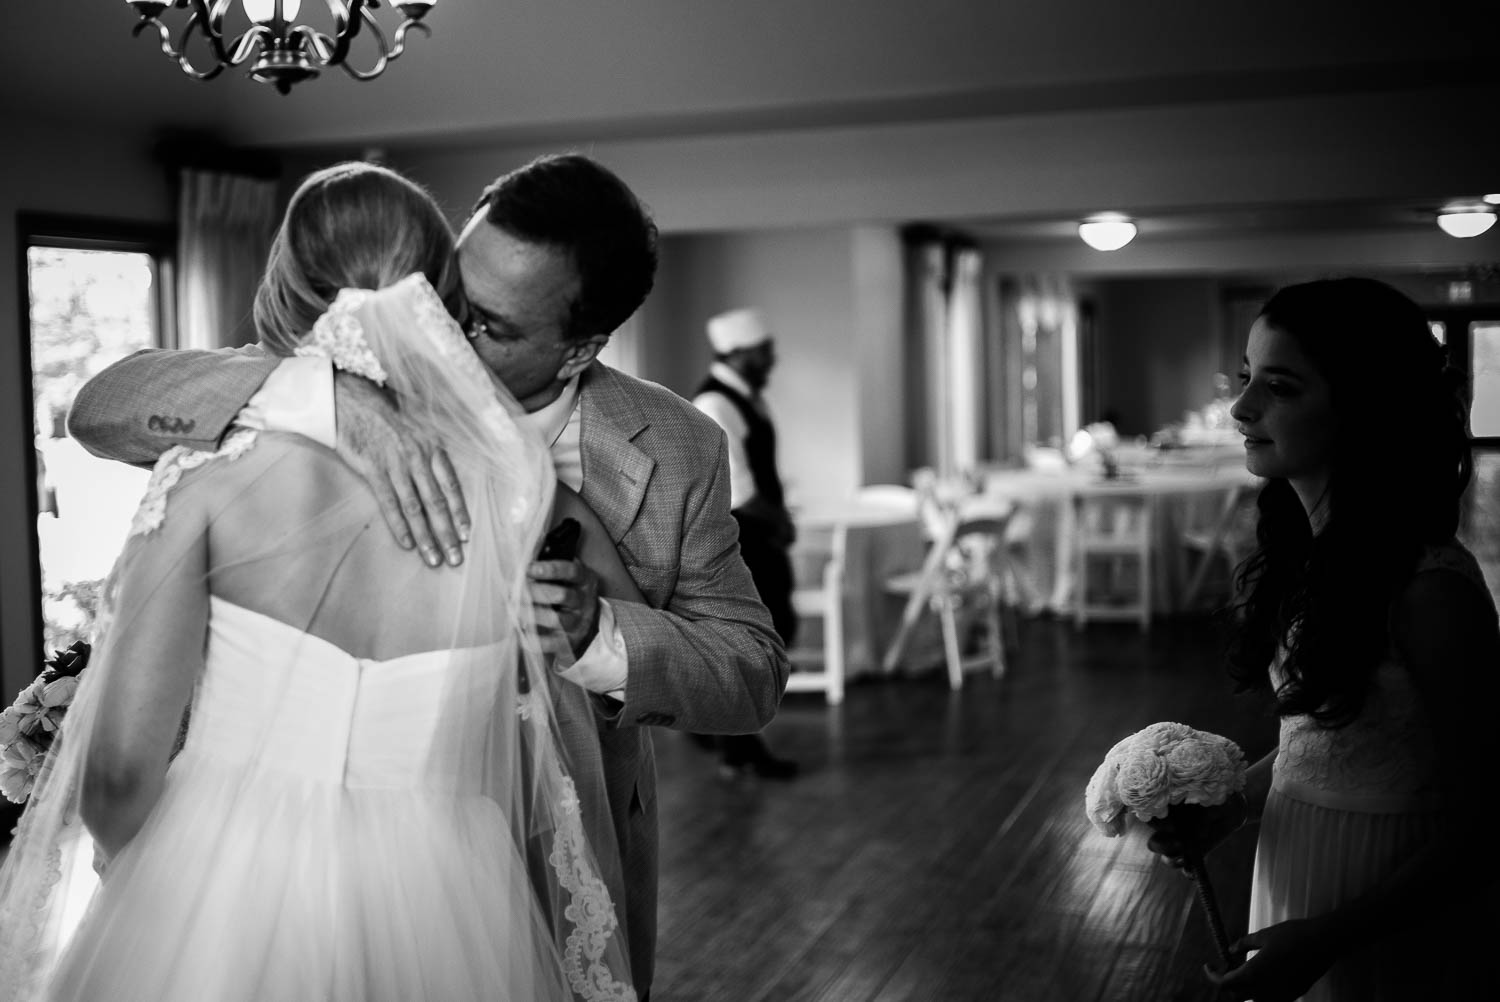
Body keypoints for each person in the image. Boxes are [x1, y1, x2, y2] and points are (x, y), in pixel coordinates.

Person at [61, 153, 789, 998]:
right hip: (274, 879)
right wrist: (325, 400)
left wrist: (603, 639)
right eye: (443, 293)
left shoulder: (676, 447)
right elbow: (106, 403)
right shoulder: (329, 381)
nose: (441, 332)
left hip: (546, 874)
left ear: (580, 347)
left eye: (489, 327)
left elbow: (751, 667)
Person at [1146, 277, 1499, 1001]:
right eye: (1249, 378)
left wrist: (1332, 935)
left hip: (1384, 914)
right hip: (1299, 874)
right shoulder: (1313, 559)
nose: (1242, 408)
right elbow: (1332, 740)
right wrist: (1232, 801)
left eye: (1280, 387)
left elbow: (1490, 823)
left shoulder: (1432, 590)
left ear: (1361, 409)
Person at [689, 309, 799, 779]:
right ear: (736, 353)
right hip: (741, 539)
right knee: (751, 643)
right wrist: (779, 521)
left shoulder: (748, 398)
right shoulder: (717, 403)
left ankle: (727, 735)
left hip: (761, 535)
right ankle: (735, 745)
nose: (771, 358)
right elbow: (740, 486)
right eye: (763, 351)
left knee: (776, 631)